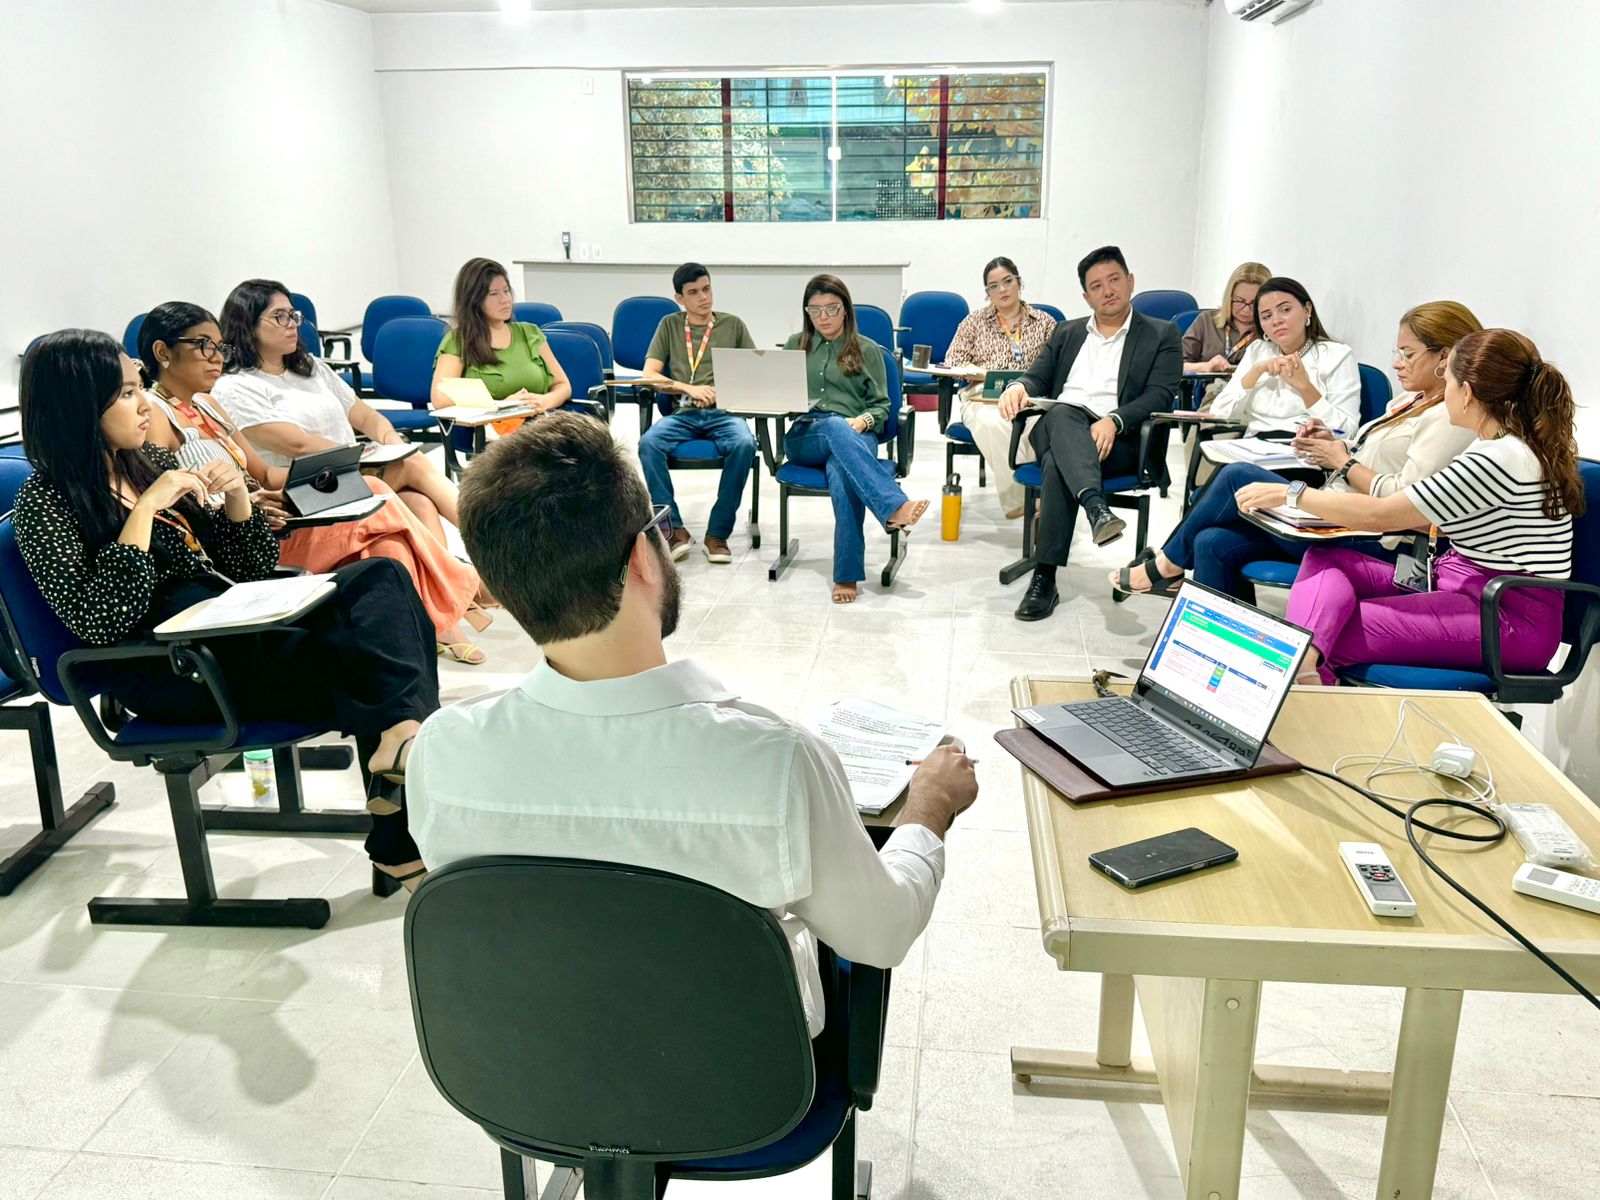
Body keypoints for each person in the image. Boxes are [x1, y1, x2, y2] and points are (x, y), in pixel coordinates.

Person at [403, 413, 978, 1035]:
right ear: (643, 562)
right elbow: (882, 934)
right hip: (742, 1099)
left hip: (533, 1083)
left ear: (497, 583)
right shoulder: (775, 759)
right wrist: (930, 808)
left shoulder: (442, 752)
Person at [12, 330, 439, 888]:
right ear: (76, 406)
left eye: (139, 388)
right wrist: (144, 512)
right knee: (374, 658)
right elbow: (101, 620)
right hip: (175, 667)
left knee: (381, 577)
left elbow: (248, 568)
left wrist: (237, 498)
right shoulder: (44, 501)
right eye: (123, 395)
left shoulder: (144, 461)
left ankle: (401, 747)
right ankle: (401, 803)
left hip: (234, 628)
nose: (144, 405)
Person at [138, 301, 492, 665]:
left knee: (391, 549)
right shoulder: (155, 414)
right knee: (378, 492)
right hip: (242, 547)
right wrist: (243, 501)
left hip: (272, 519)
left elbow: (264, 475)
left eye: (218, 346)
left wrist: (317, 474)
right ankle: (472, 581)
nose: (215, 357)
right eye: (203, 345)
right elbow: (174, 509)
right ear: (163, 352)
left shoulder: (208, 406)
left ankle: (401, 674)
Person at [1231, 329, 1581, 685]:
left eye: (1448, 380)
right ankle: (1306, 668)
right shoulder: (1504, 446)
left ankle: (1308, 687)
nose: (1443, 391)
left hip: (1506, 619)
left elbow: (1383, 514)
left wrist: (1293, 495)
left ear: (1467, 393)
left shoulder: (1500, 457)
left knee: (1336, 633)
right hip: (1465, 586)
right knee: (1328, 558)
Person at [1112, 301, 1483, 602]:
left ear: (1443, 357)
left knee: (1237, 476)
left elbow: (1404, 502)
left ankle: (1166, 564)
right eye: (1396, 351)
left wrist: (1345, 461)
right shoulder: (1411, 400)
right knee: (1212, 542)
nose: (1396, 363)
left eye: (1408, 353)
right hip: (1335, 511)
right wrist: (1335, 445)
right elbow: (1371, 451)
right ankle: (1228, 662)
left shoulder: (1449, 417)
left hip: (1376, 538)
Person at [997, 246, 1182, 622]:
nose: (1108, 290)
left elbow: (1161, 393)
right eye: (1096, 286)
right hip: (1060, 425)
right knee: (1064, 413)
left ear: (1130, 282)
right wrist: (1018, 385)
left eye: (1115, 280)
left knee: (1054, 464)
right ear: (1086, 296)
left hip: (1119, 441)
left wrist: (1114, 420)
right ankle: (1097, 509)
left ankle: (1044, 578)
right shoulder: (1067, 332)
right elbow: (1039, 376)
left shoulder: (1162, 333)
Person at [212, 279, 467, 534]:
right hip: (308, 485)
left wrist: (390, 441)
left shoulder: (310, 367)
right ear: (248, 326)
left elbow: (365, 417)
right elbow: (296, 444)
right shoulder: (235, 386)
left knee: (419, 501)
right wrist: (362, 454)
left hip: (347, 470)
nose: (291, 324)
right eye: (279, 317)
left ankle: (459, 570)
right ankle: (485, 535)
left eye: (292, 315)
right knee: (411, 465)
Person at [782, 275, 929, 605]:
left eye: (831, 309)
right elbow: (777, 396)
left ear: (845, 310)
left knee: (841, 469)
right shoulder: (795, 345)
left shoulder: (866, 349)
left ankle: (846, 574)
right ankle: (893, 505)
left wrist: (863, 421)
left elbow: (881, 406)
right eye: (815, 311)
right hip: (807, 436)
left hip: (857, 434)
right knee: (834, 426)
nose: (823, 318)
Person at [635, 262, 760, 563]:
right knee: (648, 444)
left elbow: (755, 373)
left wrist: (726, 392)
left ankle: (717, 533)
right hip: (684, 412)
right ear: (680, 298)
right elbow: (649, 375)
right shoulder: (670, 325)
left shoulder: (733, 325)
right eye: (693, 292)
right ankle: (673, 529)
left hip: (725, 413)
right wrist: (688, 389)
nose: (703, 297)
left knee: (744, 444)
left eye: (707, 289)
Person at [943, 256, 1057, 518]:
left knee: (1036, 429)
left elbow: (1056, 365)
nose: (1002, 290)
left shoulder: (1044, 322)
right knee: (994, 423)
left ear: (1019, 283)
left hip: (1029, 396)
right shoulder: (974, 322)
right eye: (994, 286)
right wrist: (983, 373)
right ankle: (1028, 501)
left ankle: (1039, 499)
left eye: (1007, 281)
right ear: (987, 293)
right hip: (983, 396)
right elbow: (952, 362)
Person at [431, 257, 573, 438]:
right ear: (474, 300)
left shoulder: (530, 333)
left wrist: (545, 401)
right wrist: (501, 405)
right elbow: (440, 399)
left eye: (506, 291)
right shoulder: (459, 340)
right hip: (492, 430)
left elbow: (563, 385)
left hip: (540, 423)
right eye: (494, 294)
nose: (505, 300)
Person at [1207, 276, 1360, 435]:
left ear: (1307, 310)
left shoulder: (1337, 355)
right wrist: (1255, 371)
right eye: (1266, 316)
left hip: (1305, 451)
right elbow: (1219, 414)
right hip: (1252, 447)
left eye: (1285, 310)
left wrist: (1304, 386)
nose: (1276, 321)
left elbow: (1345, 431)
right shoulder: (1258, 350)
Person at [1181, 261, 1271, 406]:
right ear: (1229, 298)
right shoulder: (1207, 321)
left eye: (1254, 303)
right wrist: (1205, 367)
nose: (1246, 309)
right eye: (1239, 301)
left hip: (1255, 399)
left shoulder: (1272, 330)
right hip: (1212, 396)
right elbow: (1174, 365)